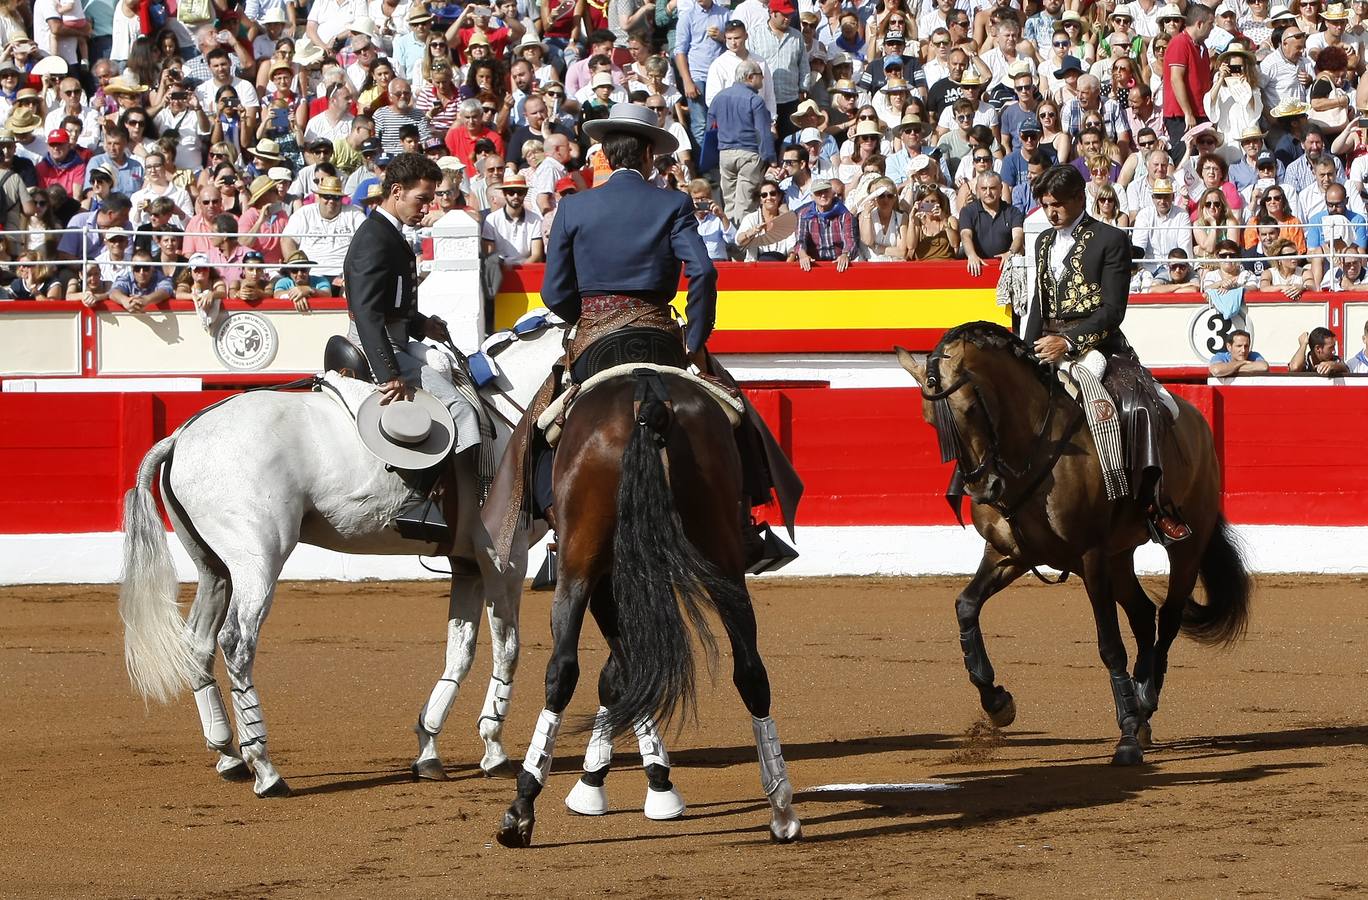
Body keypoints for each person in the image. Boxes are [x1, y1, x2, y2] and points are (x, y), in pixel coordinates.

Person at [1025, 164, 1191, 543]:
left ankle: (1152, 506)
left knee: (1140, 407)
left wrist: (1068, 343)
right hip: (1047, 345)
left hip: (1099, 345)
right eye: (1046, 204)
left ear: (1080, 199)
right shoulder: (1043, 242)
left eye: (1058, 205)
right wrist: (1027, 348)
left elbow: (1113, 311)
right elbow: (1039, 301)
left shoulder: (1110, 239)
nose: (1051, 212)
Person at [343, 151, 480, 544]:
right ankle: (435, 503)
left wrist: (423, 324)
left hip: (398, 338)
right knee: (459, 408)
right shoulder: (375, 239)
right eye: (422, 199)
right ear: (397, 192)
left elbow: (391, 305)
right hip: (381, 346)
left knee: (455, 373)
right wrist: (389, 376)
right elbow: (368, 316)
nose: (428, 207)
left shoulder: (387, 234)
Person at [708, 59, 774, 222]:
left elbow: (710, 129)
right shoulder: (755, 100)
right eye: (761, 75)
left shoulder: (719, 97)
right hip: (749, 155)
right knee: (745, 203)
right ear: (751, 77)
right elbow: (762, 132)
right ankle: (743, 244)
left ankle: (730, 240)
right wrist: (770, 159)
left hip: (725, 154)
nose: (763, 79)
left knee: (729, 202)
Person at [281, 174, 366, 283]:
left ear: (341, 198)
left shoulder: (354, 214)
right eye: (327, 196)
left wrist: (355, 272)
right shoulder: (304, 213)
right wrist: (297, 270)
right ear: (319, 196)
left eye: (336, 197)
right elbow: (287, 240)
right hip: (310, 275)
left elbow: (367, 242)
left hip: (346, 275)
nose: (331, 201)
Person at [960, 172, 1024, 275]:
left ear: (1001, 189)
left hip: (1006, 269)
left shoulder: (1013, 212)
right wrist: (971, 255)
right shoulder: (967, 211)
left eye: (993, 188)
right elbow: (965, 235)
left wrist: (1011, 253)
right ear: (977, 190)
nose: (988, 193)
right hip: (977, 269)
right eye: (984, 189)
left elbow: (1018, 237)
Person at [480, 170, 544, 263]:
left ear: (525, 193)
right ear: (504, 193)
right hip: (499, 269)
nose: (515, 196)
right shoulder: (492, 219)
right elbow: (489, 254)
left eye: (520, 192)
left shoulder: (535, 219)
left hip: (526, 268)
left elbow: (537, 255)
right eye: (511, 192)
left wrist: (520, 269)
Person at [792, 177, 856, 271]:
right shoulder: (804, 214)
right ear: (812, 196)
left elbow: (849, 240)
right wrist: (803, 255)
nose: (823, 195)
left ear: (832, 193)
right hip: (813, 264)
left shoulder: (844, 214)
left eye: (826, 191)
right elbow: (800, 240)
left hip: (837, 263)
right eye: (818, 192)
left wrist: (845, 255)